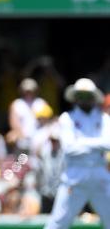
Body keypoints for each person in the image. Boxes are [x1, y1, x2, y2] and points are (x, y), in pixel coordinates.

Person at [44, 78, 110, 229]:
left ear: (94, 97)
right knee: (57, 223)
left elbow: (108, 144)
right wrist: (97, 143)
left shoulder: (105, 119)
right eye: (81, 95)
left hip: (100, 176)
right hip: (75, 177)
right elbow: (69, 148)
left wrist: (81, 142)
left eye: (88, 95)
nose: (84, 99)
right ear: (75, 97)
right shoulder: (67, 118)